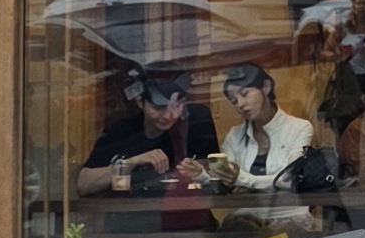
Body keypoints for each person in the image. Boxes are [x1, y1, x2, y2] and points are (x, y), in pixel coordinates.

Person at [205, 61, 333, 195]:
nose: (240, 104)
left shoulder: (299, 128)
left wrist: (242, 179)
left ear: (266, 87)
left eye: (244, 94)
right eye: (234, 101)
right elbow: (225, 180)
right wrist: (201, 174)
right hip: (244, 208)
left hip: (289, 208)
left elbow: (289, 180)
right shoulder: (235, 134)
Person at [78, 69, 212, 197]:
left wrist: (200, 172)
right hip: (128, 212)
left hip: (185, 210)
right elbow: (83, 184)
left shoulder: (197, 121)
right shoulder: (120, 132)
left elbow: (214, 176)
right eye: (159, 107)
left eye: (176, 106)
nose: (168, 115)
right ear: (140, 101)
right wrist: (132, 162)